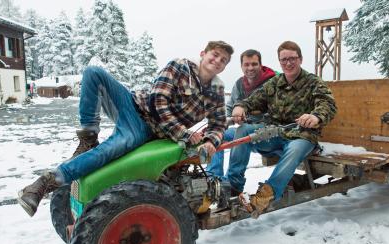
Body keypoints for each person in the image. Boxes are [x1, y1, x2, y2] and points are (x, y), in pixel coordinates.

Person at [17, 40, 234, 217]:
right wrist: (184, 133)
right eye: (214, 55)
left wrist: (210, 142)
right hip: (135, 107)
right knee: (94, 73)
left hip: (149, 132)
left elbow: (218, 124)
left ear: (224, 66)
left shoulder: (216, 90)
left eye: (223, 60)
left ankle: (48, 180)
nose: (217, 61)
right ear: (203, 53)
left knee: (114, 148)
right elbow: (158, 101)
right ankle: (87, 140)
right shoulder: (180, 66)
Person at [228, 41, 337, 217]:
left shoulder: (313, 82)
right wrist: (240, 106)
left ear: (300, 59)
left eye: (292, 58)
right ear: (279, 62)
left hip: (302, 135)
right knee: (243, 130)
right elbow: (254, 99)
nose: (288, 63)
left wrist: (315, 116)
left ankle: (266, 195)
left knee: (294, 149)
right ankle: (233, 186)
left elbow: (328, 104)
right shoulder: (274, 83)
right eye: (284, 59)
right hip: (276, 133)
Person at [206, 49, 275, 180]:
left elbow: (278, 114)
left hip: (268, 132)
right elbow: (229, 108)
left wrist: (250, 117)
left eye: (254, 64)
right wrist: (226, 120)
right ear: (241, 66)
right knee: (215, 134)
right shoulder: (239, 84)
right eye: (246, 64)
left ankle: (232, 181)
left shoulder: (273, 82)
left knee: (242, 131)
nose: (250, 68)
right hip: (245, 131)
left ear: (261, 65)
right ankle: (213, 178)